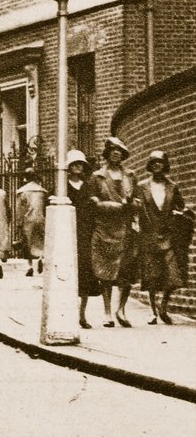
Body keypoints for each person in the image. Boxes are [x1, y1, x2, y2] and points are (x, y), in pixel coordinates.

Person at [135, 150, 193, 325]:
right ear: (150, 166)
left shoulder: (172, 187)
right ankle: (153, 312)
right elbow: (136, 209)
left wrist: (179, 213)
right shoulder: (142, 186)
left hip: (168, 235)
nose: (157, 165)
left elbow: (181, 208)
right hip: (149, 234)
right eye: (154, 163)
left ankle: (163, 306)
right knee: (152, 275)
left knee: (172, 274)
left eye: (160, 162)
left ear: (165, 165)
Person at [88, 136, 137, 327]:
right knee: (106, 273)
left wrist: (133, 203)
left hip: (125, 229)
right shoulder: (97, 176)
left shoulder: (131, 176)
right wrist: (110, 205)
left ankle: (121, 309)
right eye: (112, 150)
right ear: (107, 154)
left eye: (119, 150)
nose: (116, 153)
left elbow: (138, 200)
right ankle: (107, 312)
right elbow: (92, 202)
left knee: (126, 272)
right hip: (105, 230)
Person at [66, 148, 101, 328]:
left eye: (80, 164)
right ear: (69, 167)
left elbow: (96, 208)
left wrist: (95, 202)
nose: (78, 167)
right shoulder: (62, 187)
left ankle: (82, 315)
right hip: (69, 233)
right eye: (74, 164)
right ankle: (69, 313)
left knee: (86, 275)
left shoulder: (88, 186)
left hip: (86, 233)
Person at [15, 166, 47, 277]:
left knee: (27, 243)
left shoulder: (22, 191)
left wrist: (19, 223)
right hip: (41, 218)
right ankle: (40, 258)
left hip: (28, 219)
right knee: (41, 241)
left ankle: (30, 267)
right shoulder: (42, 191)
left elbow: (20, 210)